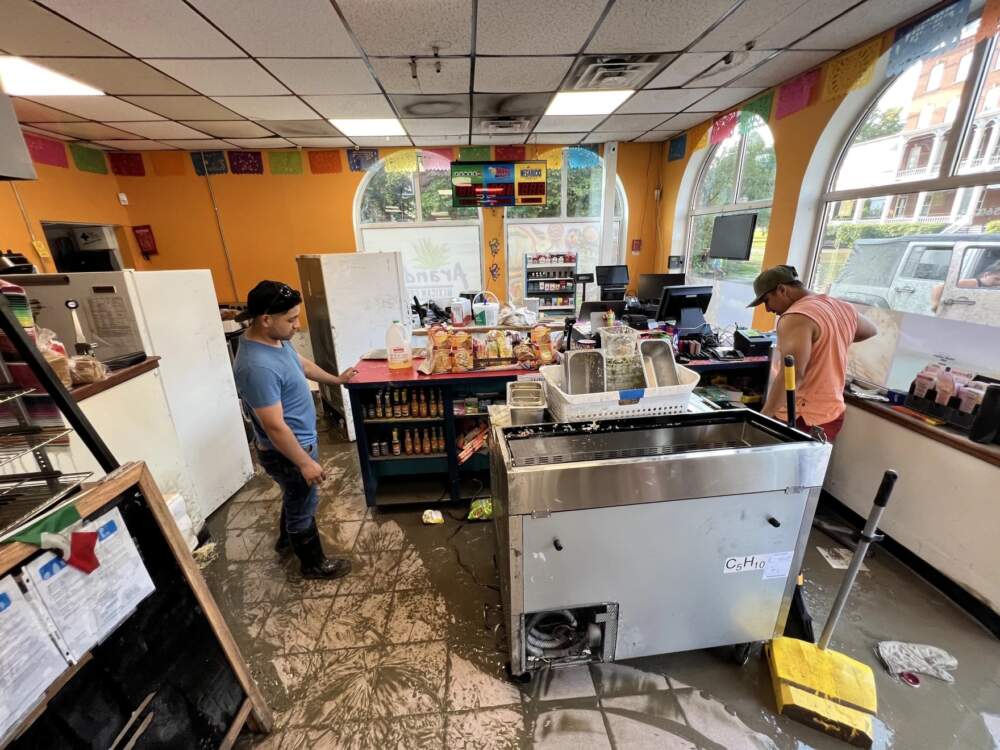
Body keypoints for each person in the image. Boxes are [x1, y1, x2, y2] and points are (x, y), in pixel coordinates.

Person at [233, 280, 358, 579]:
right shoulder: (257, 366)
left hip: (298, 445)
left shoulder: (275, 341)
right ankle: (313, 564)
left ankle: (286, 540)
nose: (297, 326)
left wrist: (337, 381)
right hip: (288, 451)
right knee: (303, 502)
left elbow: (302, 365)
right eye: (291, 319)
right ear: (266, 319)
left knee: (294, 495)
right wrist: (304, 462)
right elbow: (274, 426)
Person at [748, 265, 877, 441]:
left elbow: (792, 374)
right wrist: (833, 340)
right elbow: (870, 330)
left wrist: (763, 417)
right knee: (811, 468)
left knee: (784, 468)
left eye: (766, 301)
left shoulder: (795, 316)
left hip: (801, 415)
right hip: (830, 414)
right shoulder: (842, 307)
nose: (768, 309)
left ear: (782, 290)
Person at [931, 259, 1000, 312]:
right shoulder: (972, 282)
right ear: (986, 275)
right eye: (997, 279)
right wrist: (936, 304)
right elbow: (938, 288)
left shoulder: (994, 287)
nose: (998, 282)